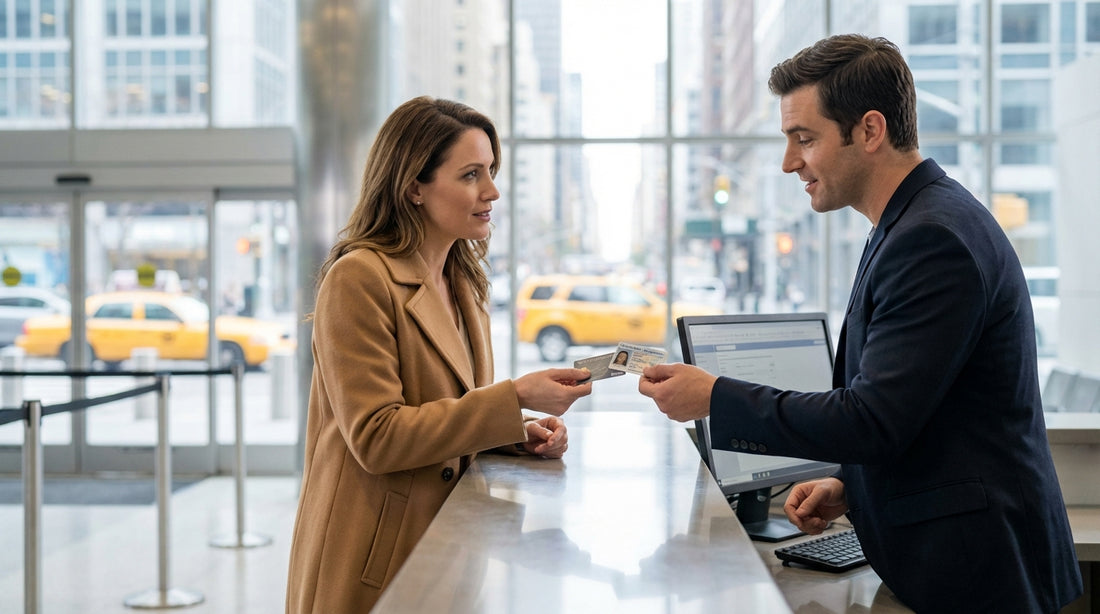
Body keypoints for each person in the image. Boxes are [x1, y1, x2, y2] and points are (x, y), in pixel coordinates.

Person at [639, 34, 1081, 613]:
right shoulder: (911, 223)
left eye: (805, 138)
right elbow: (925, 409)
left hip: (977, 573)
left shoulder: (931, 239)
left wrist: (716, 397)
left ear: (870, 131)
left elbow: (872, 418)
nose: (789, 161)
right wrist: (852, 487)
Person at [285, 96, 593, 613]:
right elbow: (378, 438)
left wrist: (515, 432)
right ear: (413, 186)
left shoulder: (464, 283)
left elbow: (449, 412)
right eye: (471, 174)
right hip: (372, 556)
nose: (492, 191)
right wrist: (511, 397)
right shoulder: (359, 278)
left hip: (449, 548)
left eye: (491, 171)